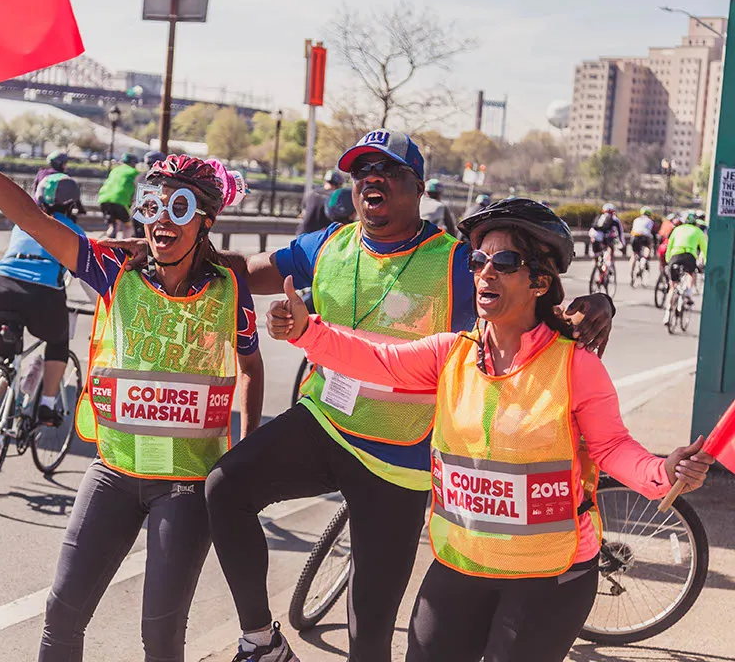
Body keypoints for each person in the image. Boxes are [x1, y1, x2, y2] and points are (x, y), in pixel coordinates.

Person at [192, 130, 614, 662]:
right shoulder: (329, 244)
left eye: (389, 171)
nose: (373, 179)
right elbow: (246, 272)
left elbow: (528, 293)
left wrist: (599, 303)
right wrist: (183, 246)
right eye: (362, 171)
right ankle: (262, 641)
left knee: (368, 634)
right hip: (326, 422)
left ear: (418, 188)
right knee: (225, 486)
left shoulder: (457, 261)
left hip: (399, 461)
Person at [268, 197, 713, 662]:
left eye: (504, 262)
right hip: (463, 564)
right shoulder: (450, 354)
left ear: (539, 282)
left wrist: (663, 471)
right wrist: (307, 332)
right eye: (478, 260)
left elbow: (614, 447)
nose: (485, 272)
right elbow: (377, 360)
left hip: (549, 575)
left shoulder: (574, 365)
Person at [0, 107, 264, 662]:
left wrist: (245, 454)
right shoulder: (115, 269)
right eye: (152, 205)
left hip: (184, 483)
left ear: (205, 221)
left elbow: (250, 367)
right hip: (113, 472)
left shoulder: (229, 288)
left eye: (179, 208)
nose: (162, 220)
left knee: (160, 637)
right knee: (61, 615)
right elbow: (32, 217)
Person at [0, 172, 87, 435]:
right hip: (42, 295)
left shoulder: (23, 222)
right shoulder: (74, 232)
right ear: (72, 205)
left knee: (6, 356)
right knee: (58, 343)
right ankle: (47, 405)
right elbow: (88, 280)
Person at [664, 211, 707, 323]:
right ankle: (688, 293)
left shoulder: (677, 229)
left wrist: (668, 260)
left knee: (672, 286)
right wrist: (705, 262)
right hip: (689, 256)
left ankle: (667, 314)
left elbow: (670, 245)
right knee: (691, 274)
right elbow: (704, 249)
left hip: (675, 256)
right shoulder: (698, 231)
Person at [97, 151, 140, 239]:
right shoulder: (134, 172)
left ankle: (108, 242)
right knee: (129, 225)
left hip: (103, 199)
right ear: (133, 163)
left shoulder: (114, 170)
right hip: (121, 201)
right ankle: (124, 245)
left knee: (114, 224)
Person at [296, 170, 341, 235]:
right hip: (321, 236)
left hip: (303, 233)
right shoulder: (335, 197)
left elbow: (303, 214)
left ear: (325, 181)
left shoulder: (312, 193)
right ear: (338, 185)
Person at [589, 203, 624, 267]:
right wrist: (622, 242)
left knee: (597, 253)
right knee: (610, 247)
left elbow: (593, 227)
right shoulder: (615, 219)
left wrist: (592, 237)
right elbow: (620, 231)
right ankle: (609, 263)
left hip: (595, 236)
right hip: (606, 238)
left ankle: (596, 264)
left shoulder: (599, 217)